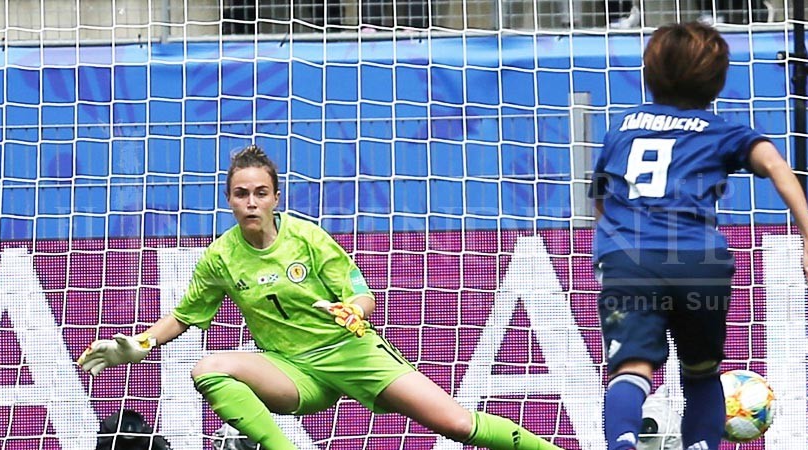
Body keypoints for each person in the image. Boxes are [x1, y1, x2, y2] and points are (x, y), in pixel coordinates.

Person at [78, 145, 562, 450]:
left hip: (352, 353)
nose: (251, 202)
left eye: (261, 192)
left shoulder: (308, 238)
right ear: (229, 200)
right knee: (207, 368)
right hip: (293, 372)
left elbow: (361, 294)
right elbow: (185, 317)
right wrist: (141, 344)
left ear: (276, 197)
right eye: (241, 193)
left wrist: (353, 309)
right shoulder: (221, 257)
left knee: (455, 423)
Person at [590, 22, 808, 450]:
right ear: (717, 81)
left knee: (631, 370)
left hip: (629, 259)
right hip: (698, 263)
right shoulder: (719, 130)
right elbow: (775, 163)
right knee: (701, 372)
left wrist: (612, 249)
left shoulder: (621, 128)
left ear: (648, 73)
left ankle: (621, 443)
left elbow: (602, 200)